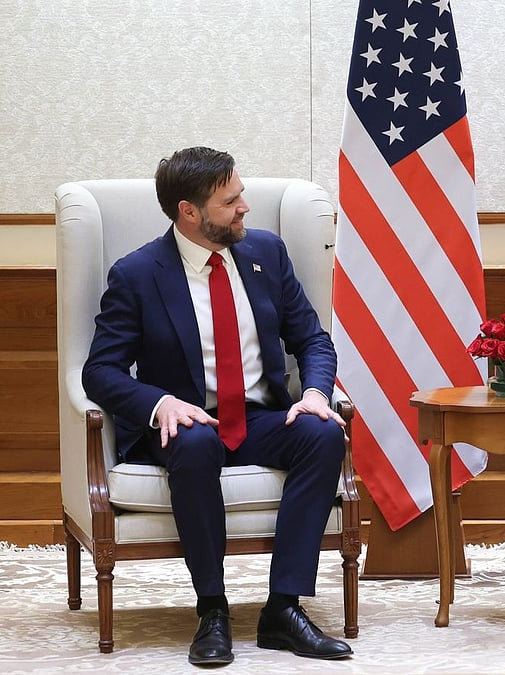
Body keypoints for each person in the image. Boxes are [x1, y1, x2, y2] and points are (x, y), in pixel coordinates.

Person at [82, 147, 352, 665]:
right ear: (190, 212)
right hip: (187, 423)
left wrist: (316, 393)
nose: (245, 207)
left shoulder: (266, 255)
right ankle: (212, 611)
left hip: (258, 417)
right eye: (231, 202)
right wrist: (159, 403)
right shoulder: (138, 274)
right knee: (196, 441)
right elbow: (100, 370)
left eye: (241, 194)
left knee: (322, 434)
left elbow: (313, 340)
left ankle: (283, 610)